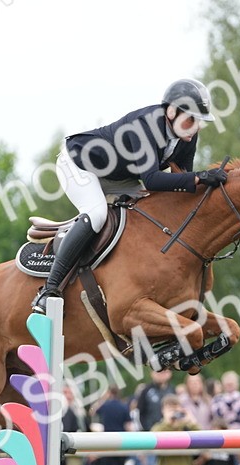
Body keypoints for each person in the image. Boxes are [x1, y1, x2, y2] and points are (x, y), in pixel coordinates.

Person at [31, 78, 222, 314]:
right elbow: (152, 180)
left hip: (119, 177)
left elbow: (181, 183)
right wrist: (201, 177)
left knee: (152, 208)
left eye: (199, 122)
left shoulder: (186, 139)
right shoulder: (146, 125)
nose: (196, 127)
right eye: (191, 119)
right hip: (79, 165)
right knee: (97, 214)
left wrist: (210, 185)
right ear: (172, 112)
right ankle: (49, 290)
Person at [87, 387, 132, 465]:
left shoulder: (105, 405)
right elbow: (128, 426)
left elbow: (91, 411)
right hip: (121, 441)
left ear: (109, 393)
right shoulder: (124, 406)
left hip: (108, 441)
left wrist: (102, 398)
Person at [151, 396, 199, 465]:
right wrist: (167, 423)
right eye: (170, 409)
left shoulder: (186, 426)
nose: (173, 412)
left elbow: (202, 438)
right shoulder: (158, 427)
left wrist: (191, 421)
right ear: (163, 411)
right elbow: (153, 438)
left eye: (175, 408)